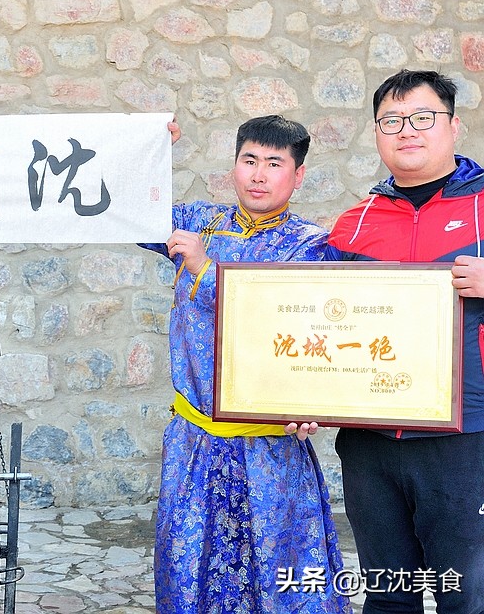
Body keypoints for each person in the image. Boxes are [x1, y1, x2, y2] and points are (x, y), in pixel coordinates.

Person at [141, 115, 350, 613]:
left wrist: (205, 271)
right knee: (188, 569)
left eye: (275, 164)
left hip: (270, 447)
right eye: (249, 160)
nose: (258, 174)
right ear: (234, 166)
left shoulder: (312, 246)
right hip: (195, 441)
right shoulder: (199, 224)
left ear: (298, 175)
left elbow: (283, 318)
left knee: (279, 573)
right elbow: (130, 213)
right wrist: (148, 153)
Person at [327, 69, 484, 613]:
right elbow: (316, 326)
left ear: (453, 126)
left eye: (422, 117)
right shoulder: (353, 222)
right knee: (387, 596)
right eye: (390, 120)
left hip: (465, 438)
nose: (406, 131)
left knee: (467, 595)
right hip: (370, 441)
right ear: (376, 131)